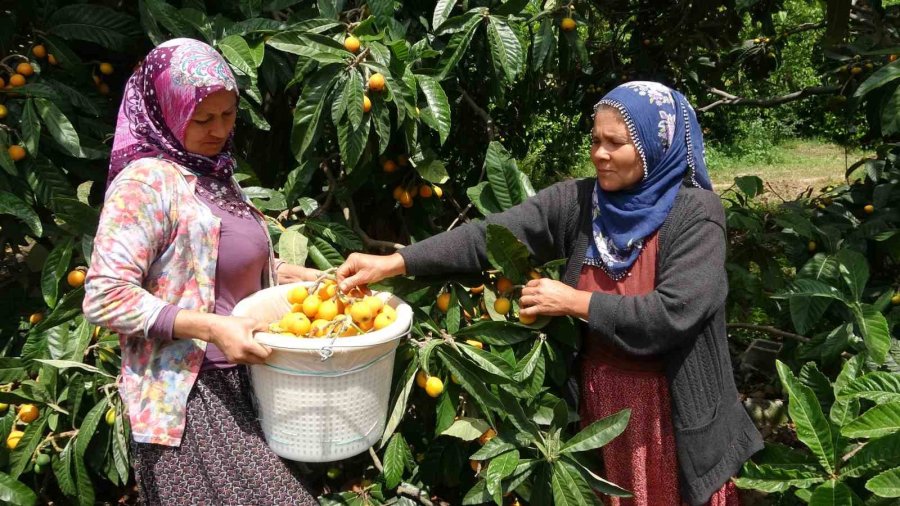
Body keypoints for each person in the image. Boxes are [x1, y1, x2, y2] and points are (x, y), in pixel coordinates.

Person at [336, 81, 763, 505]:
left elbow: (672, 314)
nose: (599, 153)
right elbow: (489, 237)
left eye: (615, 143)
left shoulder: (697, 215)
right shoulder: (580, 202)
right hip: (597, 407)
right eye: (595, 139)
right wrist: (394, 262)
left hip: (671, 413)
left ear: (656, 146)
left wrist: (573, 302)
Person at [82, 38, 320, 505]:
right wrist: (211, 327)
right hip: (191, 397)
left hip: (254, 380)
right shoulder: (147, 182)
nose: (217, 130)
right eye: (201, 118)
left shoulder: (214, 174)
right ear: (166, 110)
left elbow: (208, 263)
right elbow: (104, 295)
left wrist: (294, 275)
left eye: (228, 115)